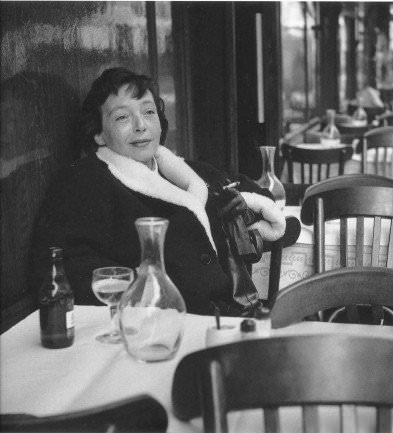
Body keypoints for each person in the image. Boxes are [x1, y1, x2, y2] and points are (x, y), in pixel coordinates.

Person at [30, 67, 285, 316]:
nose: (141, 125)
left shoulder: (179, 169)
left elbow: (250, 192)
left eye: (149, 112)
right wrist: (144, 294)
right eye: (122, 117)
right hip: (160, 322)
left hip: (224, 316)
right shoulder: (84, 180)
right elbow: (65, 265)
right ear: (98, 133)